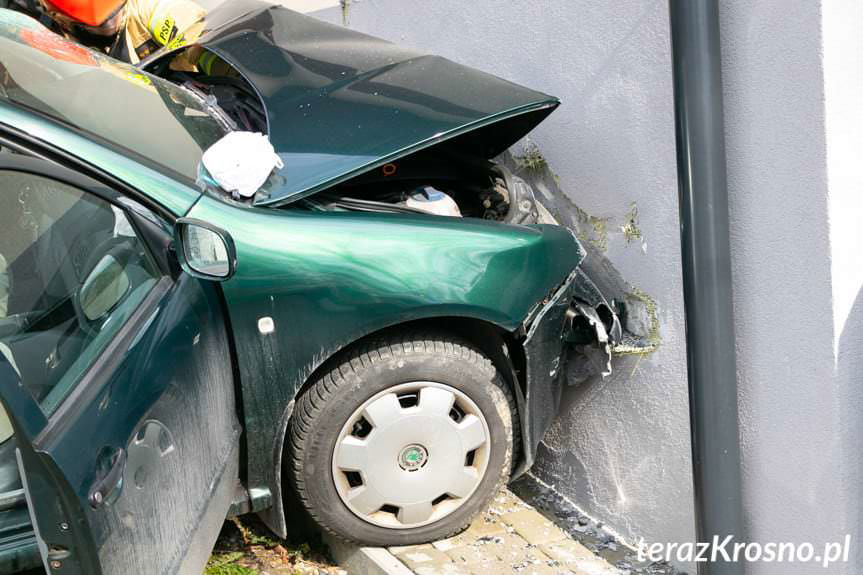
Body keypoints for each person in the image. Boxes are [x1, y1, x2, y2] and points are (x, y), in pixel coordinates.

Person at [2, 0, 206, 64]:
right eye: (94, 26)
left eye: (112, 18)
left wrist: (201, 52)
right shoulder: (42, 30)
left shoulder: (153, 9)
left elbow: (201, 40)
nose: (107, 26)